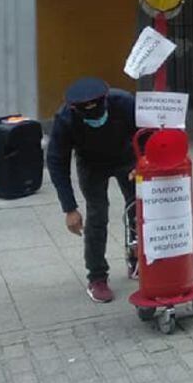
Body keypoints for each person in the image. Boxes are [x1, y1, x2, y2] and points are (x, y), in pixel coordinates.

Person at [46, 77, 137, 303]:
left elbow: (146, 133)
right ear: (75, 110)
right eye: (89, 117)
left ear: (105, 101)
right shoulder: (65, 119)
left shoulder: (124, 102)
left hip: (127, 158)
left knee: (139, 208)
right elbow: (57, 163)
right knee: (97, 216)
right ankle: (97, 277)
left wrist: (143, 163)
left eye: (98, 112)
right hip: (91, 164)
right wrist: (70, 208)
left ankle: (137, 258)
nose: (96, 119)